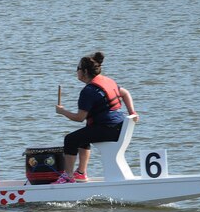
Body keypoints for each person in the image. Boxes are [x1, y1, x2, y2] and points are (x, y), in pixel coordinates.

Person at [54, 51, 138, 184]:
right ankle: (81, 173)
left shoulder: (89, 91)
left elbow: (79, 118)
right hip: (119, 127)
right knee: (84, 134)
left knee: (70, 139)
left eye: (78, 69)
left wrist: (62, 111)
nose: (76, 71)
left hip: (109, 130)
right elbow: (125, 93)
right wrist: (132, 112)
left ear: (85, 71)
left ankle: (68, 176)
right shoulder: (108, 81)